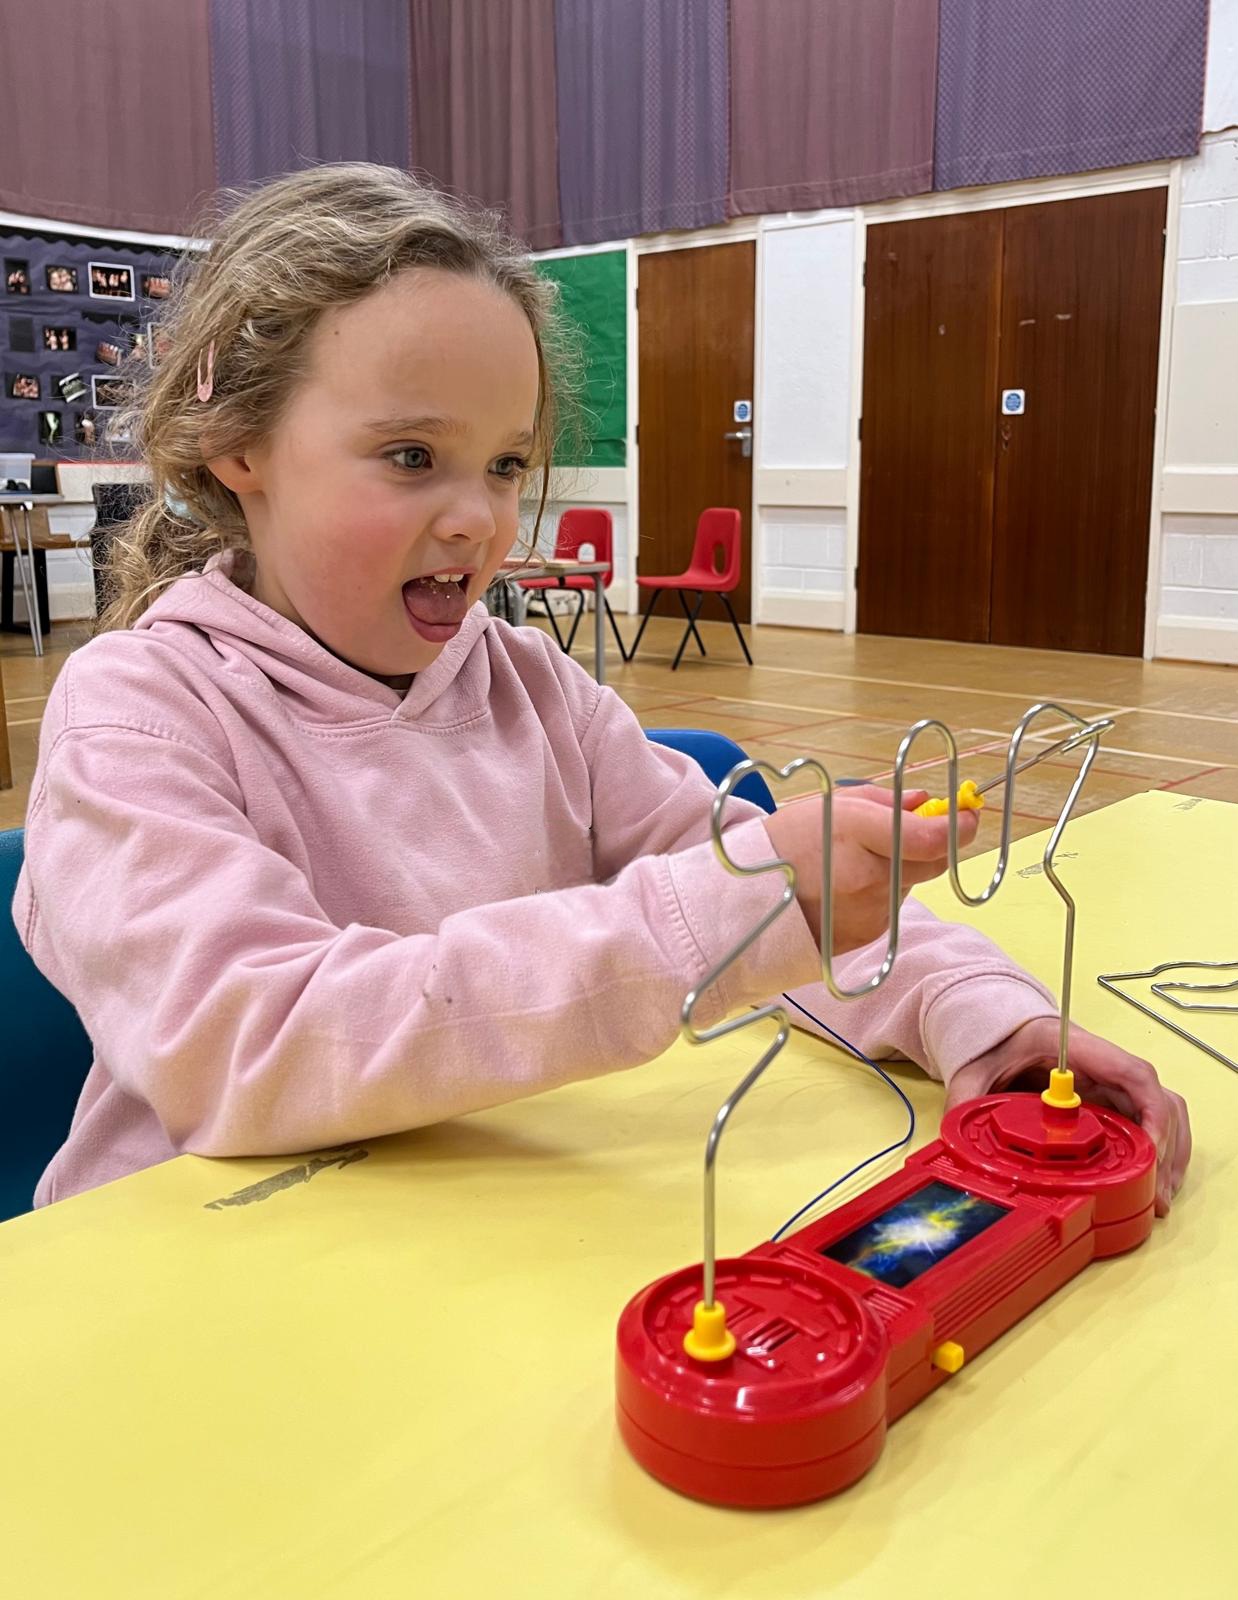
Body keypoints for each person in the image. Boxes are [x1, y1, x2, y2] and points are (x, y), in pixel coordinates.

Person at [13, 165, 1190, 1212]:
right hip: (199, 1275)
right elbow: (246, 1048)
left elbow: (757, 895)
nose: (476, 519)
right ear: (240, 446)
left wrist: (980, 1012)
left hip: (477, 1239)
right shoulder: (140, 713)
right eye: (412, 456)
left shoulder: (533, 688)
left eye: (504, 463)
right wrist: (716, 915)